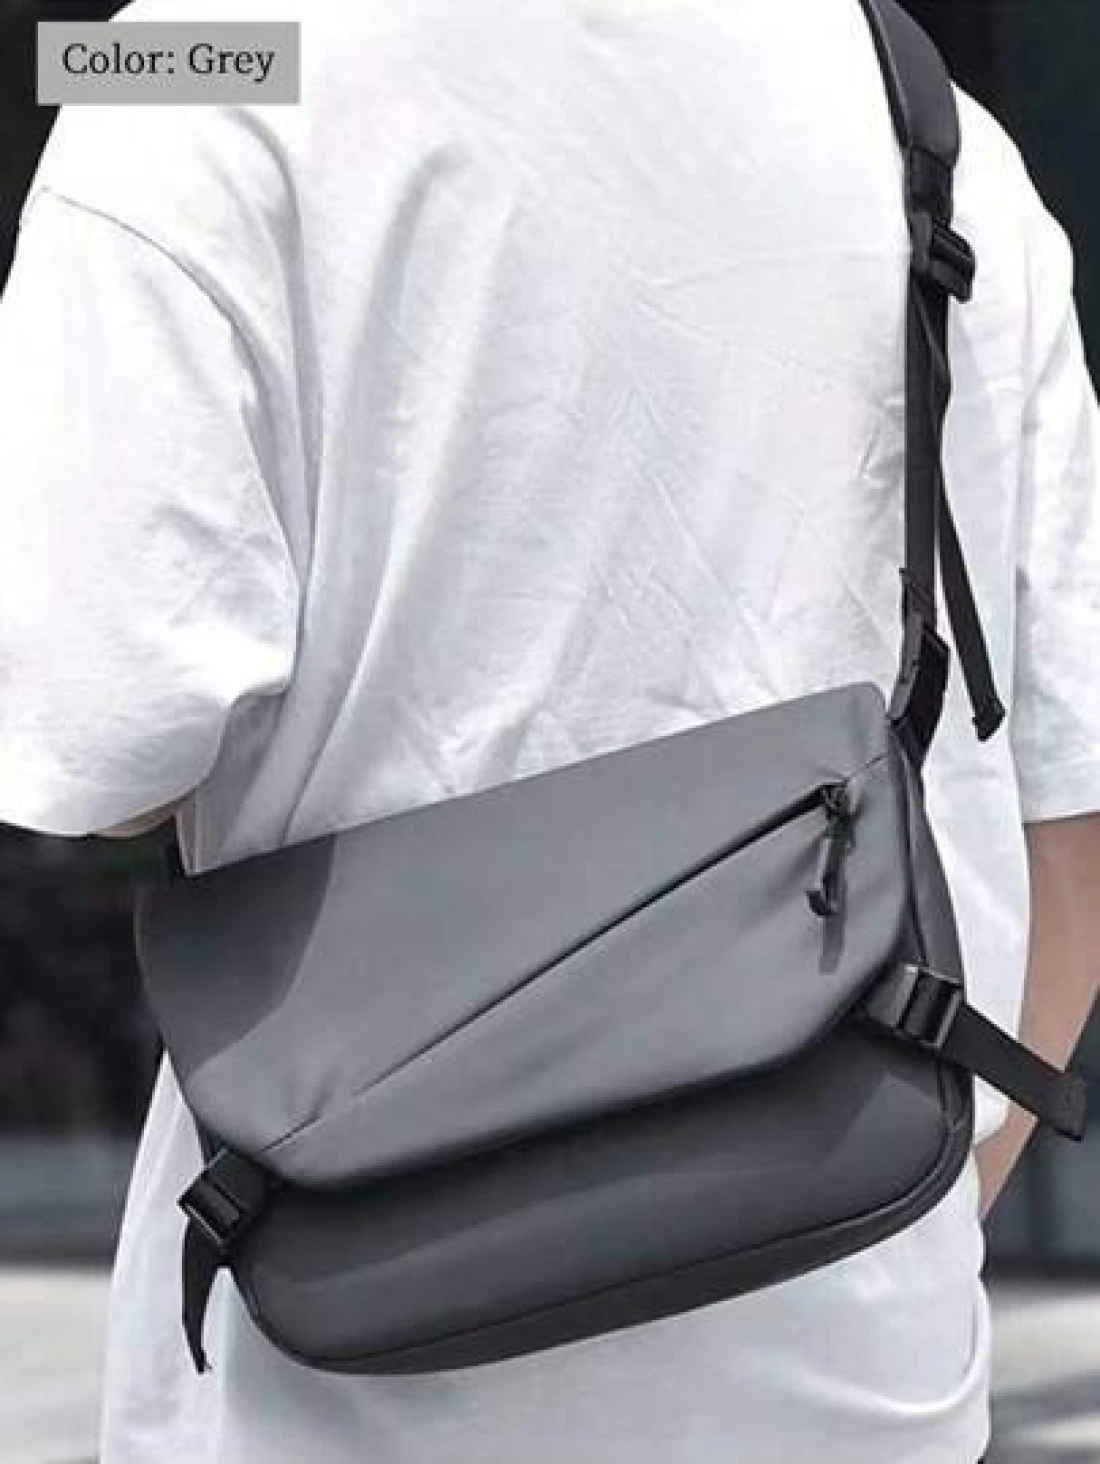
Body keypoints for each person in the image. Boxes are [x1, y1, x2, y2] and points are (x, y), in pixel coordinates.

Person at [0, 1, 1098, 1460]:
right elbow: (1069, 814)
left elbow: (108, 751)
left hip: (338, 1365)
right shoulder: (927, 119)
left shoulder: (192, 63)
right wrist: (915, 1215)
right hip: (860, 1364)